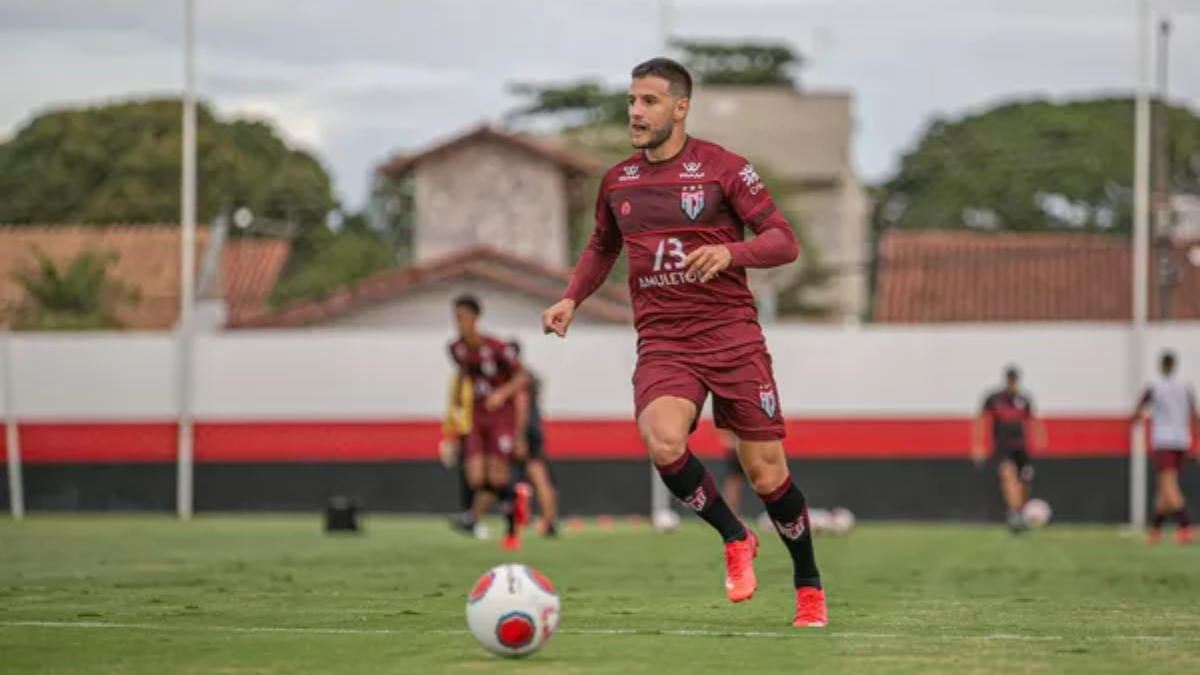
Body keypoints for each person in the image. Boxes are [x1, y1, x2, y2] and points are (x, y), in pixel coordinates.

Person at [540, 57, 827, 628]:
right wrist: (572, 296)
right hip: (665, 343)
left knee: (767, 475)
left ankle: (808, 587)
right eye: (631, 102)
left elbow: (783, 241)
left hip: (733, 337)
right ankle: (735, 536)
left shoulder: (725, 170)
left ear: (680, 107)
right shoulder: (617, 181)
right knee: (665, 444)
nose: (636, 113)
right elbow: (602, 246)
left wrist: (731, 251)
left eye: (648, 102)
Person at [447, 294, 531, 550]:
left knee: (496, 475)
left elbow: (522, 376)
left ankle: (493, 520)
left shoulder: (495, 347)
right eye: (455, 318)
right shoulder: (456, 348)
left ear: (475, 318)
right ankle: (513, 496)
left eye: (461, 318)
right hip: (476, 417)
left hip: (500, 418)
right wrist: (457, 407)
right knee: (475, 477)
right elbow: (464, 376)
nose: (458, 323)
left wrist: (501, 394)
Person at [1131, 350, 1198, 544]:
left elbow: (1137, 411)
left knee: (1168, 486)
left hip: (1163, 440)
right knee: (1164, 489)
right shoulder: (1186, 387)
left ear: (1161, 366)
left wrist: (1139, 418)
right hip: (1181, 441)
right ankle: (1155, 530)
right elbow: (1194, 415)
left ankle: (1184, 526)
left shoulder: (1154, 386)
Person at [972, 365, 1047, 533]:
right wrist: (978, 445)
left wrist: (1040, 440)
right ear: (1006, 380)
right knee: (1008, 475)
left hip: (1021, 447)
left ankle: (1020, 511)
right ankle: (1014, 513)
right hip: (1002, 446)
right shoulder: (994, 398)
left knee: (1024, 481)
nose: (1012, 383)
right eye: (1010, 380)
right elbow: (980, 419)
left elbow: (1033, 420)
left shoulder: (1024, 399)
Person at [508, 339, 561, 538]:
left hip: (525, 431)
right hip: (532, 429)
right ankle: (548, 520)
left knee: (536, 474)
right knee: (537, 475)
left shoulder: (516, 377)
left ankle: (548, 521)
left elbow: (521, 408)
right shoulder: (529, 375)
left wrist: (519, 436)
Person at [718, 429, 745, 514]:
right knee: (733, 482)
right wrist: (728, 439)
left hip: (754, 445)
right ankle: (730, 513)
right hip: (737, 447)